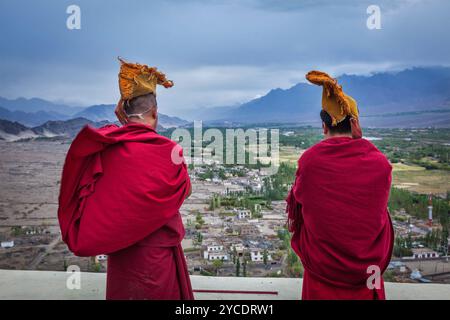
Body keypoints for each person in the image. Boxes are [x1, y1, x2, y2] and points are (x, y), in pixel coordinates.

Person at [58, 58, 194, 300]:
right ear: (155, 112)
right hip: (157, 255)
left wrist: (126, 130)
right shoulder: (168, 150)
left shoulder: (106, 148)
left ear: (122, 112)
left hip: (122, 256)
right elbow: (186, 190)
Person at [286, 71, 394, 300]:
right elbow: (378, 216)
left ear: (324, 126)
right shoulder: (380, 164)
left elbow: (301, 211)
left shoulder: (310, 161)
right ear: (355, 124)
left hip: (322, 270)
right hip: (367, 273)